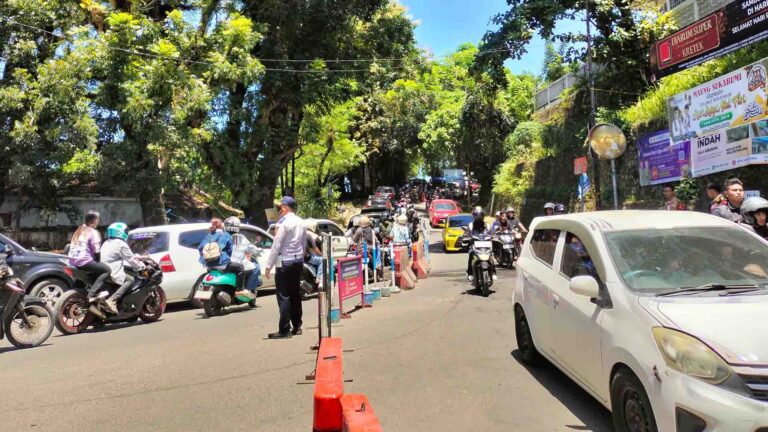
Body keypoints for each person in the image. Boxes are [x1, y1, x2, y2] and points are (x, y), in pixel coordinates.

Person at [264, 196, 306, 339]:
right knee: (295, 294)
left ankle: (284, 330)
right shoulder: (301, 222)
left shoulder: (283, 223)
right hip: (297, 261)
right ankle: (297, 326)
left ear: (286, 208)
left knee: (284, 296)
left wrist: (269, 265)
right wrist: (301, 259)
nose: (279, 210)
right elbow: (303, 243)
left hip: (285, 261)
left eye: (280, 207)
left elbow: (277, 245)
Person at [99, 222, 145, 313]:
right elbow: (131, 259)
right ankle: (112, 300)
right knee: (130, 279)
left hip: (102, 269)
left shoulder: (106, 242)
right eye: (126, 232)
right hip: (113, 271)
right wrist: (141, 266)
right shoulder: (121, 244)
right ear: (120, 232)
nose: (127, 234)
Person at [68, 211, 110, 300]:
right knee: (106, 270)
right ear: (93, 221)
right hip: (84, 261)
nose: (98, 222)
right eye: (98, 220)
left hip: (72, 260)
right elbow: (96, 249)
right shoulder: (93, 231)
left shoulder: (79, 230)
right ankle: (92, 294)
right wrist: (99, 259)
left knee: (90, 272)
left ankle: (72, 293)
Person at [224, 216, 260, 299]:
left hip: (220, 263)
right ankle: (246, 290)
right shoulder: (240, 237)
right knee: (256, 268)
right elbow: (250, 248)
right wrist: (258, 251)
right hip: (234, 263)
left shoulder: (222, 235)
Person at [466, 206, 488, 281]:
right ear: (473, 215)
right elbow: (467, 233)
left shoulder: (487, 225)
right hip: (474, 244)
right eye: (476, 215)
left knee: (491, 255)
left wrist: (493, 236)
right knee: (471, 255)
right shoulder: (470, 225)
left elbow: (491, 232)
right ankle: (470, 273)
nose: (478, 217)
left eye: (480, 215)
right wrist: (466, 237)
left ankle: (494, 272)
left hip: (485, 244)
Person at [304, 220, 324, 286]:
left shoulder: (296, 235)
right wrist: (322, 255)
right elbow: (315, 249)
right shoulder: (310, 235)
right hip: (306, 257)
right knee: (321, 260)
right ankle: (319, 279)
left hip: (298, 257)